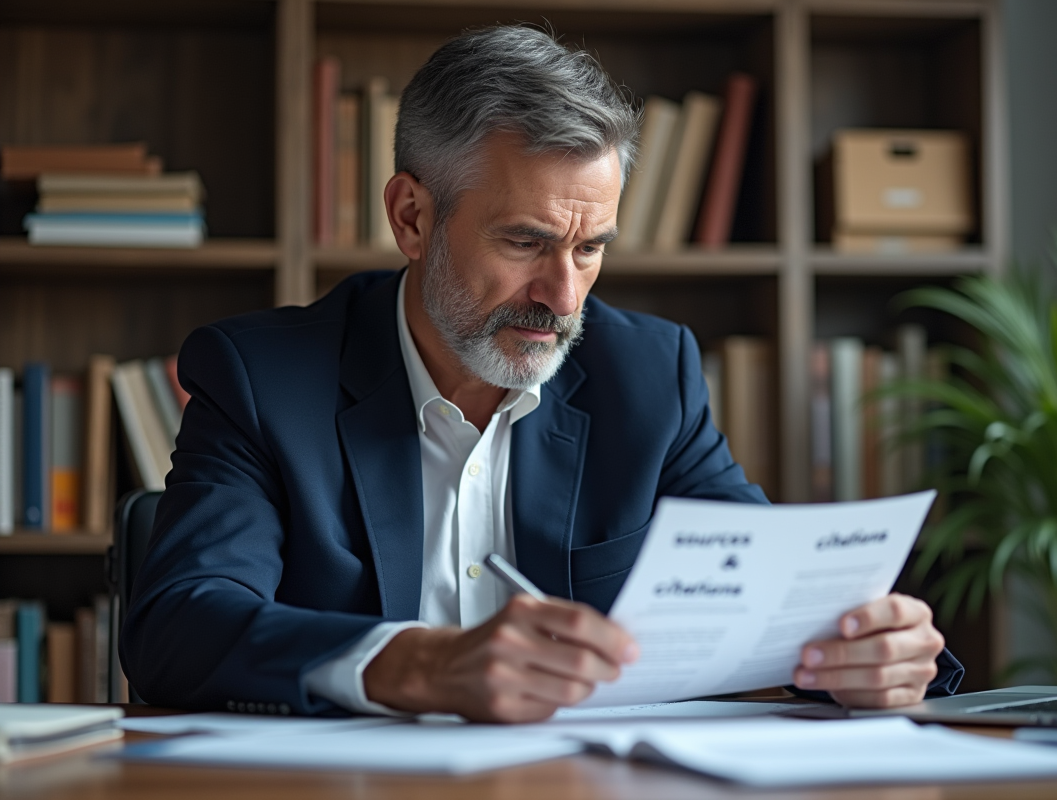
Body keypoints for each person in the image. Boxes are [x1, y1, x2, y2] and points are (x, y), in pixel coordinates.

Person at [121, 25, 961, 722]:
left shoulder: (648, 375)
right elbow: (179, 626)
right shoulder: (263, 377)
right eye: (524, 241)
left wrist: (859, 656)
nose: (563, 296)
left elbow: (773, 607)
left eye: (589, 247)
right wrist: (418, 666)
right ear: (412, 217)